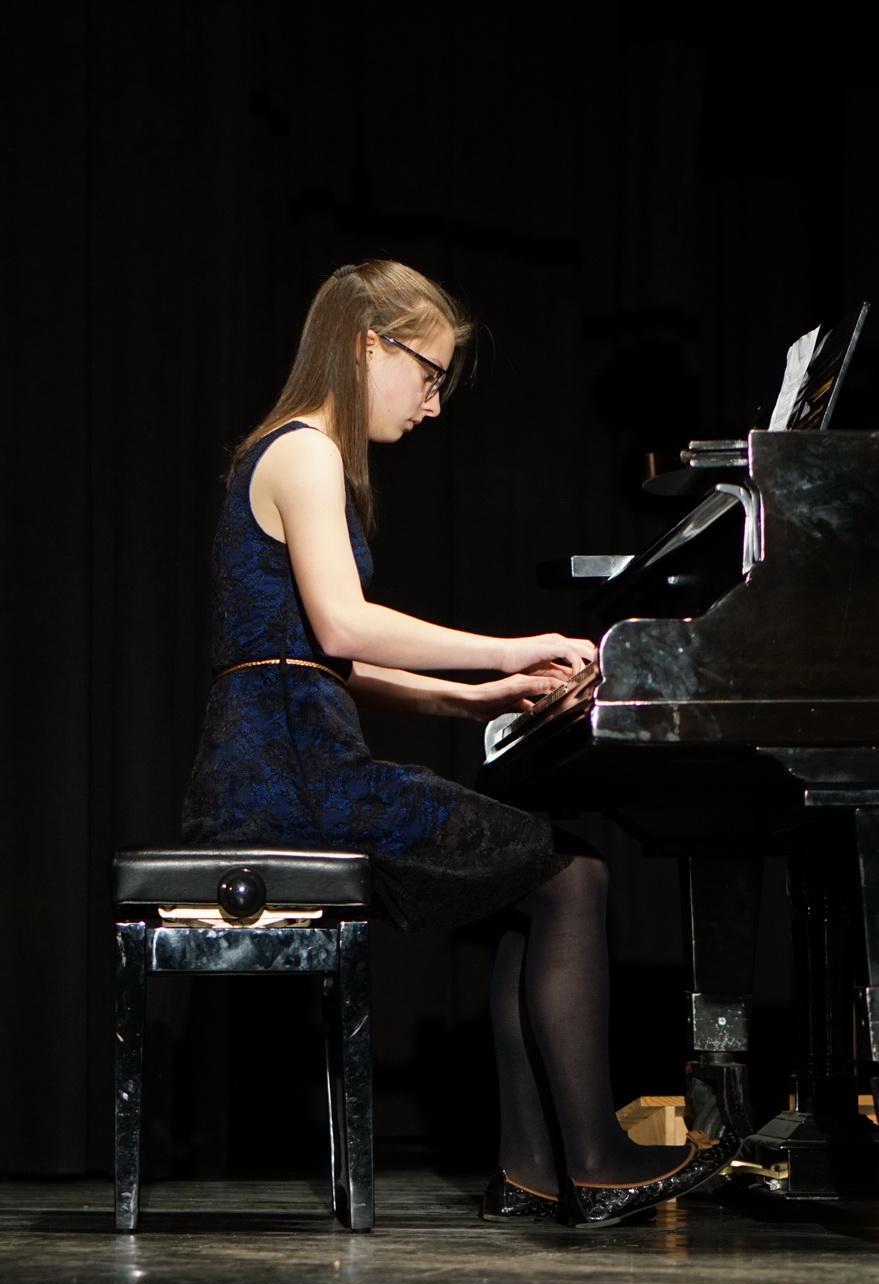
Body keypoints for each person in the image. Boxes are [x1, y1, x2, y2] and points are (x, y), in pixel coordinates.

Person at [183, 259, 737, 1226]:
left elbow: (321, 660)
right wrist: (511, 648)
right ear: (369, 345)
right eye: (429, 373)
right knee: (573, 878)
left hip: (275, 762)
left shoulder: (283, 453)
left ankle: (532, 1169)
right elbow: (346, 628)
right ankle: (593, 1161)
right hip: (297, 776)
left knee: (536, 879)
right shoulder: (305, 453)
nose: (433, 403)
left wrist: (477, 700)